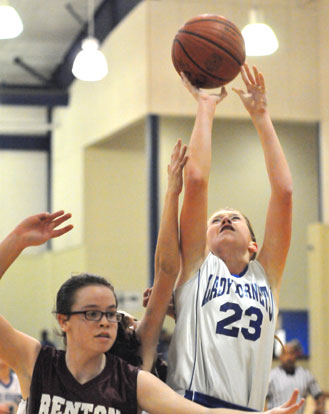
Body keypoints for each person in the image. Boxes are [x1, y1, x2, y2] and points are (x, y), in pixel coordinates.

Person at [0, 162, 304, 413]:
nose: (107, 321)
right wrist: (17, 240)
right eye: (92, 313)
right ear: (63, 320)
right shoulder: (37, 363)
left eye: (111, 313)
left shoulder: (134, 380)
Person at [166, 63, 293, 411]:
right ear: (203, 241)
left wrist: (262, 117)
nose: (223, 219)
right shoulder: (196, 266)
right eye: (216, 220)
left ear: (254, 244)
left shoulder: (266, 276)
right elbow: (196, 182)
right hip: (189, 405)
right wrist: (205, 106)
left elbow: (283, 193)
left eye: (234, 218)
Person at [267, 340, 325, 414]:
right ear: (280, 357)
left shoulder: (305, 375)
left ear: (296, 356)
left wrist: (320, 407)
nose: (289, 357)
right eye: (285, 354)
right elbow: (262, 400)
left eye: (291, 353)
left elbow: (318, 395)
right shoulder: (271, 376)